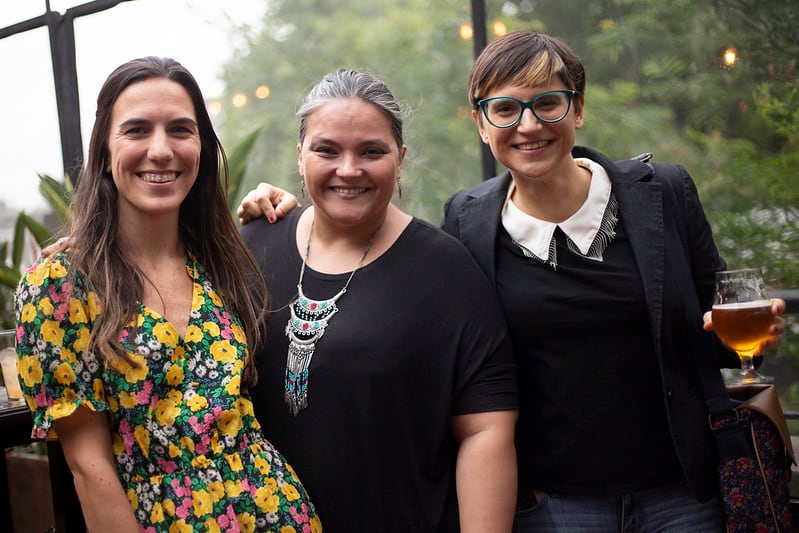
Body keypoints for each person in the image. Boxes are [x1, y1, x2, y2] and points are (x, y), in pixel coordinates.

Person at [238, 32, 788, 531]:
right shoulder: (468, 219)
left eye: (547, 103)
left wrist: (746, 338)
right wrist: (277, 208)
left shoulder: (660, 193)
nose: (528, 125)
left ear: (577, 110)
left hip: (680, 492)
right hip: (555, 503)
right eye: (505, 109)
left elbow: (716, 324)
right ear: (481, 124)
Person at [15, 56, 321, 532]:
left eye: (181, 129)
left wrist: (277, 205)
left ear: (201, 146)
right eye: (136, 130)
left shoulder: (224, 261)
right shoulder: (60, 287)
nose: (161, 150)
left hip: (279, 513)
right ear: (104, 147)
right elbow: (88, 469)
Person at [238, 68, 519, 532]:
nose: (348, 170)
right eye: (327, 150)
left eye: (371, 151)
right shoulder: (250, 248)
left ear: (400, 158)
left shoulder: (446, 271)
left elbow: (485, 432)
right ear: (300, 155)